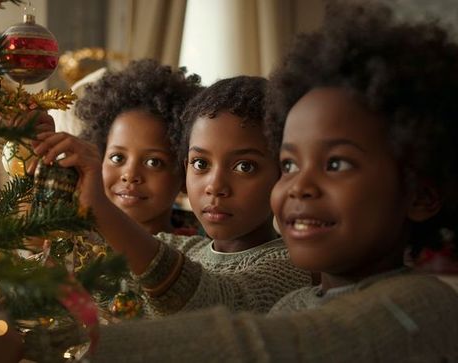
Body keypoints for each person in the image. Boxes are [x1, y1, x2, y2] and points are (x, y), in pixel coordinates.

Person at [83, 2, 458, 361]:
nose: (299, 186)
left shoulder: (427, 306)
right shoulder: (294, 304)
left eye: (337, 163)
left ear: (421, 195)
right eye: (291, 164)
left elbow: (260, 346)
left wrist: (56, 347)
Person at [33, 76, 311, 315]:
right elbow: (87, 249)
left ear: (285, 174)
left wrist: (102, 207)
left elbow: (209, 303)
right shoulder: (189, 249)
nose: (215, 186)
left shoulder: (293, 267)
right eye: (201, 164)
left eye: (244, 166)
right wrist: (42, 151)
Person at [75, 59, 202, 235]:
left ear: (184, 171)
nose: (130, 175)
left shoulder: (193, 257)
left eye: (154, 162)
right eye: (117, 158)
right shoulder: (71, 240)